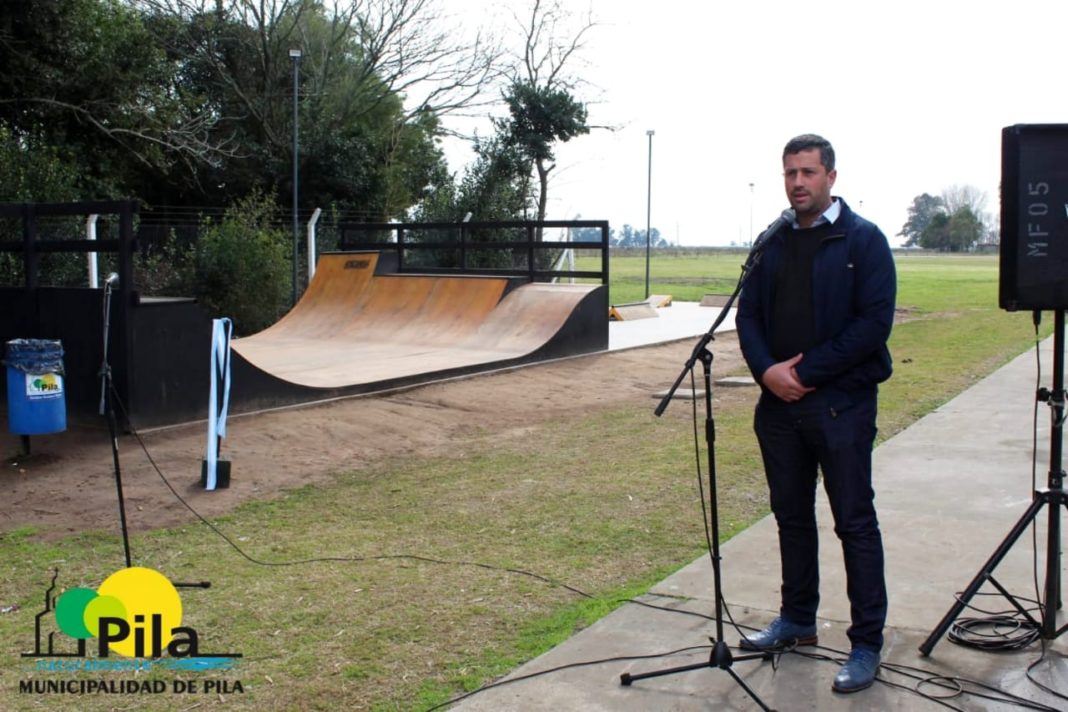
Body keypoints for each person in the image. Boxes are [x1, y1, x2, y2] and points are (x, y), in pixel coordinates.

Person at [734, 134, 896, 693]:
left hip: (841, 407)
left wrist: (803, 374)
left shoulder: (864, 240)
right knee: (791, 518)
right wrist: (766, 372)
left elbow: (872, 327)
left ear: (831, 176)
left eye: (807, 172)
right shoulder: (772, 241)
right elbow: (747, 314)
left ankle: (866, 642)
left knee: (854, 523)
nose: (797, 182)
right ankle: (798, 619)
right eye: (789, 173)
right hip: (778, 409)